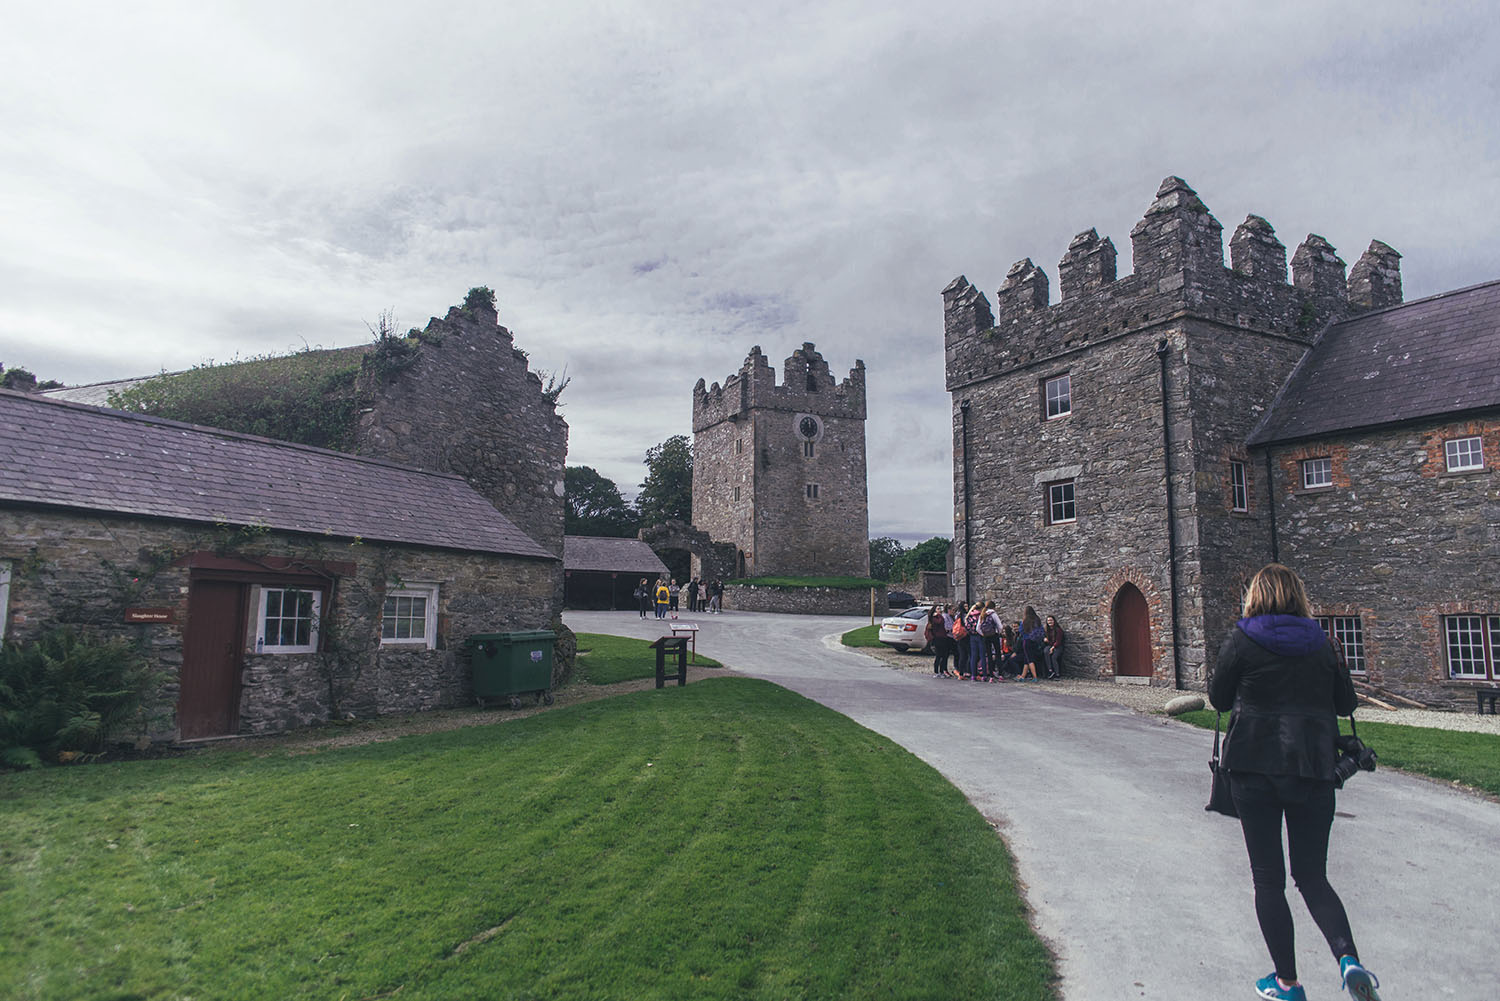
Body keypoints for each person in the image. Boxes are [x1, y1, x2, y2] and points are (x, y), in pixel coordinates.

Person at [1208, 563, 1381, 1001]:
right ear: (1298, 596)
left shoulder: (1243, 637)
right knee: (1312, 876)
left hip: (1254, 766)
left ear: (1256, 595)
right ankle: (1349, 960)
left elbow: (1218, 698)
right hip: (1313, 766)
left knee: (1268, 879)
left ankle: (1287, 982)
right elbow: (1346, 701)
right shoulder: (1322, 641)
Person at [1019, 607, 1044, 680]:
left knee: (1030, 659)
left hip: (1026, 641)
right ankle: (1022, 676)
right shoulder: (1037, 620)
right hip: (1035, 641)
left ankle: (1035, 677)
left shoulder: (1025, 621)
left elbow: (1021, 631)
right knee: (1026, 659)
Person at [980, 601, 1003, 679]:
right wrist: (998, 632)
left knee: (989, 655)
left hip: (986, 636)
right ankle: (1000, 674)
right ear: (993, 607)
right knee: (998, 654)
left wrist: (983, 633)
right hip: (994, 635)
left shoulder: (983, 614)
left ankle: (991, 676)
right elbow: (1000, 626)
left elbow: (978, 628)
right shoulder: (993, 614)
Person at [928, 606, 951, 677]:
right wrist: (938, 615)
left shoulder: (940, 617)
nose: (939, 610)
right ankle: (936, 671)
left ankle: (941, 671)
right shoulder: (934, 618)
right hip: (937, 638)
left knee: (944, 655)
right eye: (938, 609)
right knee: (938, 655)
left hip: (943, 637)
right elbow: (939, 621)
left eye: (940, 609)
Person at [950, 603, 971, 678]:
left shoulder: (957, 615)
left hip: (959, 636)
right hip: (965, 636)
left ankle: (961, 672)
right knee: (968, 654)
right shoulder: (965, 615)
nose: (967, 607)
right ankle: (966, 671)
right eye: (965, 606)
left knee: (962, 655)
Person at [1043, 615, 1065, 679]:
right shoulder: (1047, 630)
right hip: (1049, 645)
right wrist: (1045, 639)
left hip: (1058, 646)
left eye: (1051, 620)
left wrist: (1053, 647)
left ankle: (1057, 673)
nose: (1050, 622)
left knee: (1054, 656)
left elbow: (1058, 641)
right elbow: (1046, 639)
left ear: (1054, 621)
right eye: (1048, 620)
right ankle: (1050, 670)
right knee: (1045, 651)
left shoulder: (1058, 630)